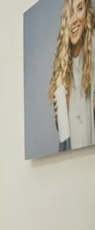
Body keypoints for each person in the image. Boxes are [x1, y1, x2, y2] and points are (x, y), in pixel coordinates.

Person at [48, 0, 95, 151]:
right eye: (70, 13)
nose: (74, 19)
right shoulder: (61, 69)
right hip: (72, 157)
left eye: (79, 9)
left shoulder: (93, 53)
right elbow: (63, 130)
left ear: (87, 13)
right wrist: (59, 114)